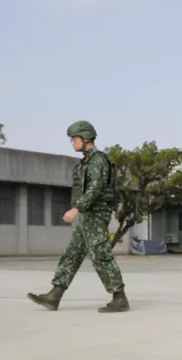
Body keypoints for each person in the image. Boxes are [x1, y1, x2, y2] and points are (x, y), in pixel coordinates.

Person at [27, 120, 129, 313]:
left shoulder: (98, 160)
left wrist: (76, 208)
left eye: (75, 139)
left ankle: (119, 297)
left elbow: (96, 187)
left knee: (100, 255)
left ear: (86, 138)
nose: (73, 142)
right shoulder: (87, 161)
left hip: (96, 214)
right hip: (86, 215)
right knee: (72, 254)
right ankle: (54, 295)